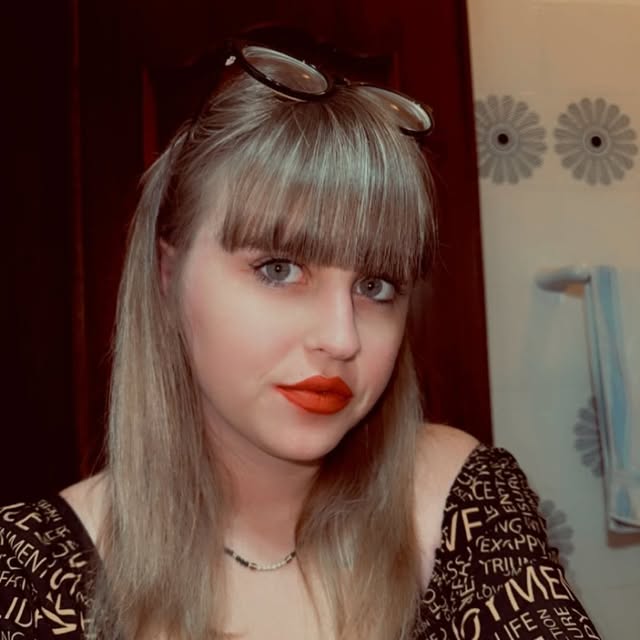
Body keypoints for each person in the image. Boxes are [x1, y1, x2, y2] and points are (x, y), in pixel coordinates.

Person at [0, 41, 601, 640]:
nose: (341, 339)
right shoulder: (30, 572)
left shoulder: (462, 502)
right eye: (279, 269)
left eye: (375, 285)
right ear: (168, 274)